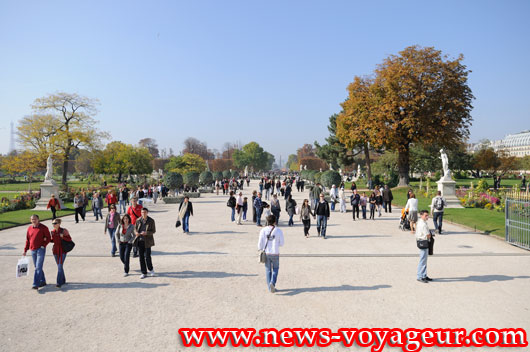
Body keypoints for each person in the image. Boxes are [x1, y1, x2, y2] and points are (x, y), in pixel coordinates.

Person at [257, 215, 285, 293]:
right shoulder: (278, 230)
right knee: (276, 268)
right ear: (275, 222)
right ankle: (273, 282)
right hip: (275, 252)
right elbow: (282, 243)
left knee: (268, 270)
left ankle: (270, 287)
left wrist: (260, 248)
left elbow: (260, 242)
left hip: (266, 252)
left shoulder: (263, 230)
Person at [23, 215, 50, 290]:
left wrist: (43, 245)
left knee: (38, 267)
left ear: (38, 219)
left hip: (40, 250)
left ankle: (35, 284)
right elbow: (28, 240)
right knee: (37, 267)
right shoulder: (29, 228)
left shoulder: (43, 228)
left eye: (35, 219)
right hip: (32, 250)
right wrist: (25, 250)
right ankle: (42, 281)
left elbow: (48, 238)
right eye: (32, 219)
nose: (33, 220)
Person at [50, 218, 72, 288]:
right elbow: (52, 240)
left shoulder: (64, 231)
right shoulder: (52, 232)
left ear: (59, 224)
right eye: (53, 223)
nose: (54, 225)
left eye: (55, 223)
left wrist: (63, 237)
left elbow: (70, 239)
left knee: (59, 266)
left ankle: (59, 282)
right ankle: (63, 280)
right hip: (55, 251)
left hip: (62, 250)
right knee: (60, 266)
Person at [135, 208, 156, 279]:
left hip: (148, 241)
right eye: (142, 212)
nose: (143, 214)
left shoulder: (151, 221)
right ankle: (143, 272)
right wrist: (136, 233)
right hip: (140, 240)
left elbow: (153, 231)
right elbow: (135, 229)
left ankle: (151, 269)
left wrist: (146, 233)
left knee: (147, 256)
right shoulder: (138, 220)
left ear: (147, 213)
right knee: (141, 257)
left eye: (144, 212)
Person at [416, 210, 433, 283]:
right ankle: (420, 276)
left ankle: (424, 275)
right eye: (425, 215)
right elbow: (428, 235)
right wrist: (431, 235)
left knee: (424, 259)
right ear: (421, 215)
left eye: (427, 215)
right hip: (423, 241)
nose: (427, 217)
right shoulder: (422, 224)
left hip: (422, 241)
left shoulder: (421, 222)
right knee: (423, 260)